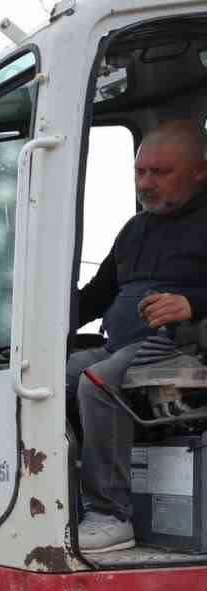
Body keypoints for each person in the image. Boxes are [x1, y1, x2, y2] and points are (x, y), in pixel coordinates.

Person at [67, 119, 207, 553]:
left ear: (200, 171)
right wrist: (33, 322)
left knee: (96, 385)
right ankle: (63, 501)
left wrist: (193, 304)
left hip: (178, 345)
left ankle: (111, 514)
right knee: (43, 377)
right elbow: (96, 296)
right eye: (140, 172)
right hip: (120, 345)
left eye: (160, 173)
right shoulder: (135, 229)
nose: (146, 183)